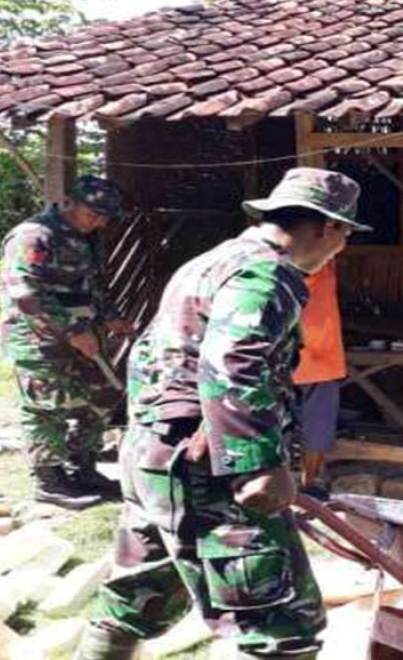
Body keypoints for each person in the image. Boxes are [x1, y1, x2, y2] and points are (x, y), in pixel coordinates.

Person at [74, 168, 369, 660]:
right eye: (344, 236)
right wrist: (257, 464)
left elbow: (151, 356)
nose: (340, 248)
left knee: (140, 594)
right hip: (203, 463)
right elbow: (235, 360)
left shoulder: (210, 263)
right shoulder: (266, 273)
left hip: (155, 453)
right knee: (280, 618)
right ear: (327, 226)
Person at [0, 175, 133, 509]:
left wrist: (111, 318)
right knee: (48, 405)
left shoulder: (86, 237)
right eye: (94, 214)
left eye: (105, 216)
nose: (100, 222)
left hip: (83, 331)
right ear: (69, 202)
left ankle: (82, 467)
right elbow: (26, 294)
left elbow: (94, 286)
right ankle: (50, 479)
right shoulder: (34, 236)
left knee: (102, 395)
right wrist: (72, 332)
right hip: (38, 336)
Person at [292, 259, 347, 498]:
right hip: (319, 359)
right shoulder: (318, 262)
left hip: (295, 359)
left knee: (281, 426)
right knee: (317, 425)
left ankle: (294, 483)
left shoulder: (274, 268)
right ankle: (308, 482)